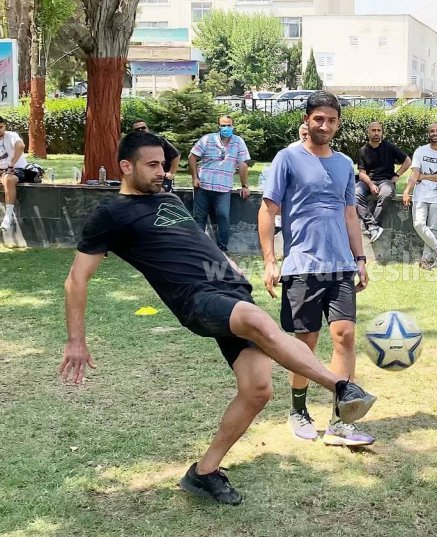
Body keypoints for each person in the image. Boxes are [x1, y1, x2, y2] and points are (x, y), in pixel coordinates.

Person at [59, 131, 377, 505]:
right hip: (197, 300)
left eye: (164, 164)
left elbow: (186, 203)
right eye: (152, 165)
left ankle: (203, 472)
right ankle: (340, 387)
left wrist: (227, 263)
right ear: (125, 167)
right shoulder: (111, 214)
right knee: (258, 322)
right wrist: (76, 340)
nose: (163, 171)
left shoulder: (166, 195)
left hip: (231, 291)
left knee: (258, 389)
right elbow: (76, 279)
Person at [258, 91, 374, 446]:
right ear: (307, 120)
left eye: (332, 120)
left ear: (338, 124)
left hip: (340, 265)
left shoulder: (343, 163)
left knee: (346, 337)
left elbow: (350, 213)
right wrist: (269, 260)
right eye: (319, 119)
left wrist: (360, 258)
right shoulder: (287, 158)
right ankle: (299, 411)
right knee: (305, 344)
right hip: (302, 266)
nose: (325, 125)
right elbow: (268, 210)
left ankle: (341, 421)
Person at [188, 116, 251, 251]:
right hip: (203, 185)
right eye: (223, 125)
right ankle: (198, 248)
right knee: (199, 218)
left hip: (223, 188)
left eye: (228, 125)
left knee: (223, 216)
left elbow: (243, 164)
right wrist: (194, 178)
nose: (226, 128)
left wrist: (244, 186)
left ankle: (222, 248)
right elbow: (192, 156)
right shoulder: (207, 139)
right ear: (218, 126)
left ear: (233, 126)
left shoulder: (238, 142)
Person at [402, 122, 437, 270]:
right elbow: (414, 173)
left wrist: (424, 177)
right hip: (420, 195)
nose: (435, 133)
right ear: (429, 134)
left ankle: (426, 259)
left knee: (434, 228)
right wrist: (407, 191)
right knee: (418, 224)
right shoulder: (420, 151)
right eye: (432, 131)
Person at [356, 122, 411, 242]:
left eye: (379, 130)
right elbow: (362, 173)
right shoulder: (363, 150)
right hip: (368, 180)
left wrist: (397, 175)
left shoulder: (389, 147)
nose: (376, 133)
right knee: (355, 193)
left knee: (386, 194)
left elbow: (407, 161)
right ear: (368, 132)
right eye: (373, 130)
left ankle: (373, 225)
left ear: (382, 132)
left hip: (386, 180)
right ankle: (372, 226)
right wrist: (370, 184)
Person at [131, 120, 180, 192]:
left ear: (147, 128)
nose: (141, 130)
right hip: (144, 176)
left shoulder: (159, 140)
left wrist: (171, 173)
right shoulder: (133, 144)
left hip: (161, 175)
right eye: (137, 129)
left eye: (143, 128)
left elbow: (176, 155)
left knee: (161, 195)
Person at [0, 116, 28, 231]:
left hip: (17, 169)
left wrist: (11, 164)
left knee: (8, 179)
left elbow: (20, 146)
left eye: (1, 127)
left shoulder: (11, 135)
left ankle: (8, 216)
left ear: (4, 126)